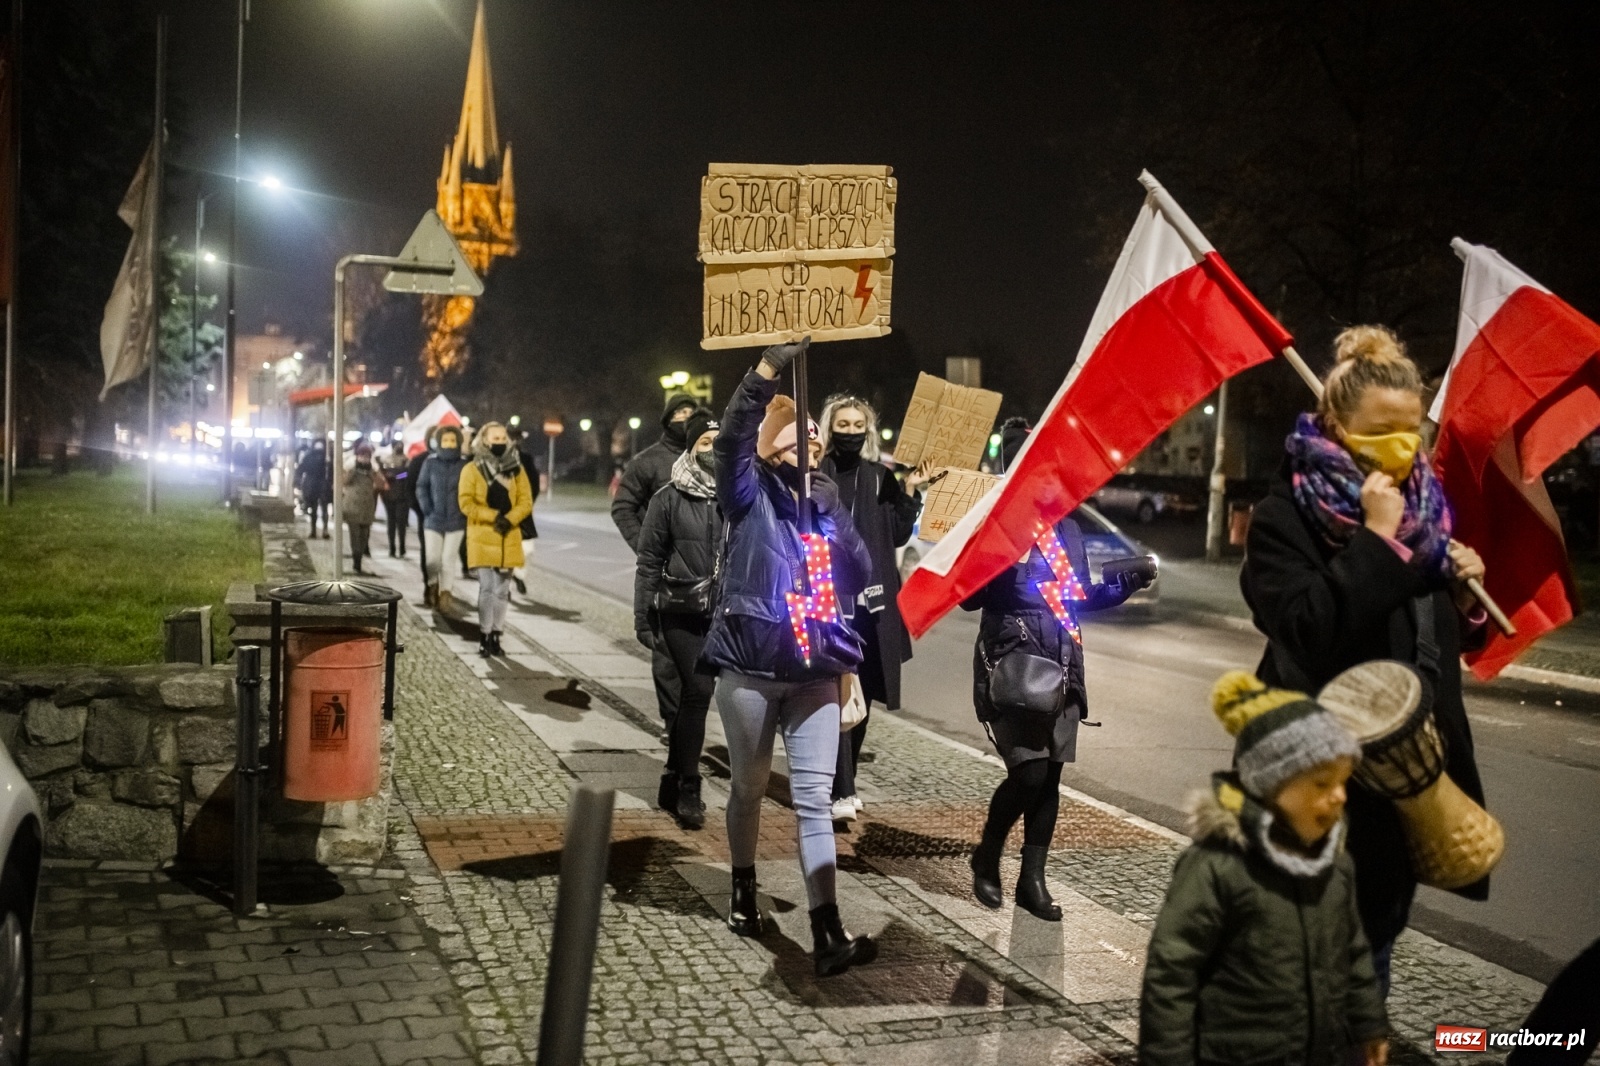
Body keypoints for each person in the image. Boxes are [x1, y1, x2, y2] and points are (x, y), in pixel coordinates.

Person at [1239, 325, 1490, 993]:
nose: (1403, 451)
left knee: (1370, 960)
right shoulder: (1283, 517)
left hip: (1399, 798)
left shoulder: (1426, 516)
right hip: (1314, 791)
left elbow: (1429, 643)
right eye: (1382, 432)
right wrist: (1376, 542)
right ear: (1336, 426)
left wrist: (1463, 599)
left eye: (1413, 432)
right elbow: (1307, 628)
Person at [703, 339, 878, 978]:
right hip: (750, 667)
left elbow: (858, 573)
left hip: (816, 670)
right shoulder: (745, 494)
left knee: (813, 799)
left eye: (815, 438)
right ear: (772, 448)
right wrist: (768, 370)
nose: (812, 445)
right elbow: (731, 437)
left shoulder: (825, 499)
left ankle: (827, 930)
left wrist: (837, 519)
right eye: (799, 437)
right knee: (748, 787)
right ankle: (744, 889)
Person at [1138, 671, 1387, 1066]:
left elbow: (1353, 951)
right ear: (1272, 787)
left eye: (1343, 783)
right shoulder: (1218, 866)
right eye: (1321, 784)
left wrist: (1368, 1025)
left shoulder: (1336, 864)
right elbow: (1172, 973)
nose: (1339, 796)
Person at [964, 417, 1147, 920]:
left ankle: (1032, 881)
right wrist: (1004, 557)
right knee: (1028, 774)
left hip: (1064, 662)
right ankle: (987, 852)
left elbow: (1075, 598)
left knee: (1050, 781)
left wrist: (1122, 587)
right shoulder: (997, 524)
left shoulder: (1066, 525)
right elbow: (970, 598)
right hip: (1014, 664)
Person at [817, 394, 931, 821]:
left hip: (873, 605)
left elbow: (898, 536)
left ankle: (840, 784)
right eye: (842, 424)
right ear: (830, 428)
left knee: (860, 698)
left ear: (868, 429)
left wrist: (911, 491)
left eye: (856, 424)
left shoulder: (879, 477)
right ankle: (839, 789)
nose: (849, 432)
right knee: (835, 693)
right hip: (828, 603)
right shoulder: (815, 473)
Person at [633, 408, 722, 830]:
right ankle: (689, 785)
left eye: (717, 443)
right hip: (680, 610)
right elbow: (648, 561)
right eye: (704, 443)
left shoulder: (736, 494)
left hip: (723, 611)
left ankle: (672, 776)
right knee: (699, 690)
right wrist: (642, 615)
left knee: (693, 698)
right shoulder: (667, 497)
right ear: (690, 447)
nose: (712, 450)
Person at [612, 391, 700, 766]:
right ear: (666, 420)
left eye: (690, 412)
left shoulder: (713, 456)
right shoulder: (647, 461)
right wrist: (645, 545)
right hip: (665, 571)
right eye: (678, 412)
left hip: (701, 571)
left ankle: (689, 718)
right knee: (666, 652)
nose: (684, 417)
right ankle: (671, 720)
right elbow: (622, 507)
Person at [459, 421, 532, 657]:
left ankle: (496, 635)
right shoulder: (472, 469)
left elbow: (525, 501)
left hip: (508, 535)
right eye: (495, 438)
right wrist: (493, 516)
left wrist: (510, 519)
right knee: (487, 588)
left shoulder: (517, 469)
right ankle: (483, 634)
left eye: (503, 438)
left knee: (502, 590)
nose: (499, 442)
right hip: (482, 535)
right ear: (484, 440)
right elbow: (466, 503)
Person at [417, 425, 470, 613]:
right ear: (439, 442)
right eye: (445, 440)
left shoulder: (464, 465)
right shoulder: (430, 463)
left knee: (448, 559)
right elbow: (421, 486)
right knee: (432, 559)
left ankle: (446, 594)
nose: (449, 444)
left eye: (452, 440)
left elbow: (470, 490)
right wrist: (427, 508)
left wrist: (464, 511)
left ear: (458, 442)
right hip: (434, 519)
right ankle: (432, 583)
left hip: (456, 521)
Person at [342, 441, 387, 576]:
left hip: (367, 507)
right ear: (357, 456)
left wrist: (374, 471)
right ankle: (357, 562)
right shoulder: (350, 466)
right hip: (353, 507)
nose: (364, 458)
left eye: (367, 456)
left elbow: (381, 484)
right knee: (355, 536)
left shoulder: (372, 470)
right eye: (362, 455)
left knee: (364, 537)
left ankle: (359, 558)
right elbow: (343, 481)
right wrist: (353, 469)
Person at [508, 425, 542, 596]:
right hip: (504, 511)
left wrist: (528, 503)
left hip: (523, 511)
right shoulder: (497, 458)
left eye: (517, 438)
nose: (514, 441)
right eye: (511, 437)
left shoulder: (526, 459)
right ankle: (504, 586)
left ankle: (518, 575)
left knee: (527, 549)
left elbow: (534, 484)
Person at [405, 431, 436, 598]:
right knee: (428, 551)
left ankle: (443, 588)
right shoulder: (418, 461)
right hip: (425, 515)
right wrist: (420, 509)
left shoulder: (456, 461)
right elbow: (410, 487)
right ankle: (429, 584)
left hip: (448, 518)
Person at [380, 441, 413, 559]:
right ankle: (392, 548)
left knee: (401, 524)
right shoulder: (387, 459)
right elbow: (382, 474)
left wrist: (396, 476)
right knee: (391, 523)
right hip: (389, 496)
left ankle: (402, 548)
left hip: (402, 497)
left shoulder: (406, 460)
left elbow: (408, 475)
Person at [294, 438, 333, 539]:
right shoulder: (325, 457)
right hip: (318, 485)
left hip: (315, 485)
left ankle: (317, 531)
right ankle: (320, 530)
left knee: (317, 509)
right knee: (319, 509)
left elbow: (301, 469)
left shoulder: (316, 456)